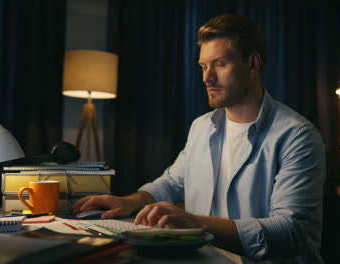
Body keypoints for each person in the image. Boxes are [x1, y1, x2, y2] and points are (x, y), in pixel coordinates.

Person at [73, 13, 325, 263]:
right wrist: (128, 202)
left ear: (253, 63)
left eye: (220, 64)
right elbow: (171, 183)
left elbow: (290, 233)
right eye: (203, 66)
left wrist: (195, 223)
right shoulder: (202, 127)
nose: (207, 78)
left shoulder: (297, 136)